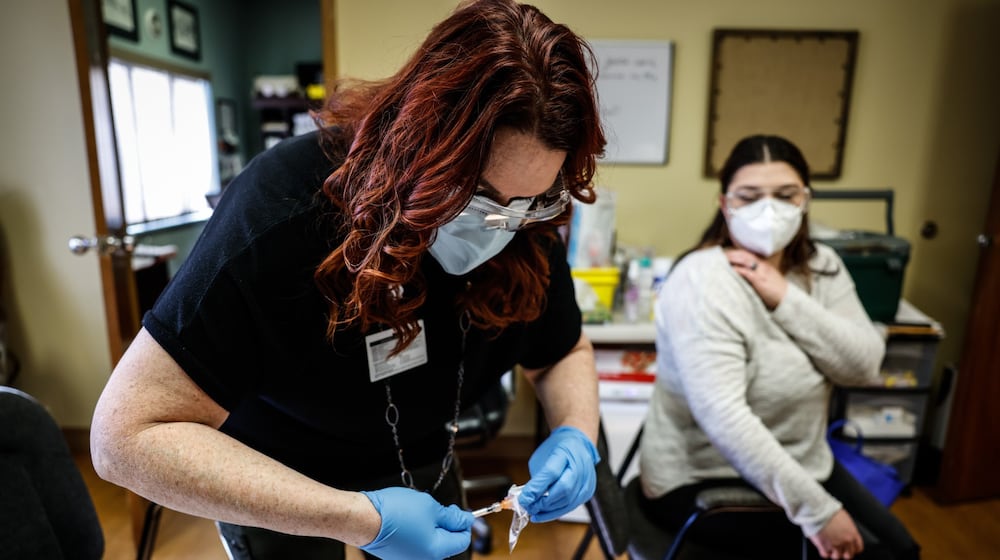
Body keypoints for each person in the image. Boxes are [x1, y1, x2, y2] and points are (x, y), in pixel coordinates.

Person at [90, 2, 605, 559]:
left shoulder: (529, 220)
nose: (499, 226)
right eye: (479, 198)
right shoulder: (281, 212)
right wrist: (356, 518)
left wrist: (576, 432)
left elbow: (561, 348)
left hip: (424, 463)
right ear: (417, 145)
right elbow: (125, 438)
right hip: (277, 476)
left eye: (528, 201)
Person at [637, 135, 920, 560]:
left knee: (903, 550)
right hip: (706, 480)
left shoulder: (823, 266)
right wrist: (818, 512)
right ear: (725, 204)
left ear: (804, 200)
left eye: (785, 195)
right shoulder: (704, 279)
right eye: (750, 197)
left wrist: (785, 297)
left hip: (804, 464)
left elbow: (863, 365)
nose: (768, 210)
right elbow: (724, 415)